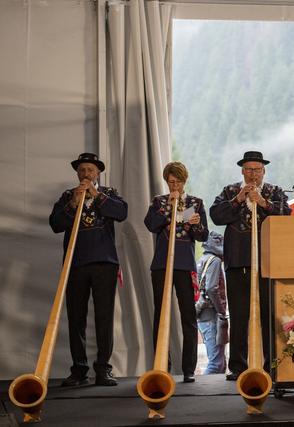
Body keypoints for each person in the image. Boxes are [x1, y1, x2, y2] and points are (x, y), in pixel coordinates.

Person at [210, 151, 292, 381]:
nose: (252, 174)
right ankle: (237, 366)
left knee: (268, 314)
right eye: (248, 170)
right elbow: (216, 215)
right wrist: (238, 199)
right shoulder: (230, 191)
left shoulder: (275, 192)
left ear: (264, 171)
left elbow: (288, 213)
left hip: (268, 261)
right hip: (237, 262)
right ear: (242, 172)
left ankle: (270, 367)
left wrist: (264, 203)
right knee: (238, 315)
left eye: (256, 170)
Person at [49, 152, 128, 387]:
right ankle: (79, 370)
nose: (86, 174)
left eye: (90, 170)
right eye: (82, 170)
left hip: (105, 263)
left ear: (98, 173)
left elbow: (121, 213)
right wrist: (74, 202)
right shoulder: (67, 196)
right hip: (75, 264)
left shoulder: (109, 193)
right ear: (77, 172)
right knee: (76, 317)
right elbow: (55, 224)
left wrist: (95, 194)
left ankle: (103, 369)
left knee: (104, 317)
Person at [144, 161, 208, 383]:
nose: (175, 186)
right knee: (160, 316)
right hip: (161, 265)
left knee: (188, 316)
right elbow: (151, 224)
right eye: (171, 182)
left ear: (184, 181)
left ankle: (189, 368)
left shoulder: (195, 203)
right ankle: (162, 364)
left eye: (178, 182)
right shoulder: (159, 202)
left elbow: (203, 236)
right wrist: (167, 210)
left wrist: (195, 224)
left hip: (185, 264)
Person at [195, 230, 228, 374]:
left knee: (218, 363)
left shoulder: (202, 259)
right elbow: (211, 288)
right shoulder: (214, 261)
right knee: (216, 364)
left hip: (203, 315)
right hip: (212, 315)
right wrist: (221, 311)